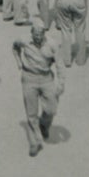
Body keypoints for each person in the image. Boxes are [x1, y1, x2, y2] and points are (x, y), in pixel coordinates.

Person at [14, 22, 64, 157]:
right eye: (35, 34)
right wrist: (19, 61)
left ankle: (43, 125)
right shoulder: (23, 40)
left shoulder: (52, 44)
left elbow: (59, 65)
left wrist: (61, 84)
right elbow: (15, 47)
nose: (37, 37)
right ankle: (34, 142)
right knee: (31, 113)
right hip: (29, 78)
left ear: (44, 34)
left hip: (46, 78)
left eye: (40, 35)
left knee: (51, 109)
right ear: (31, 33)